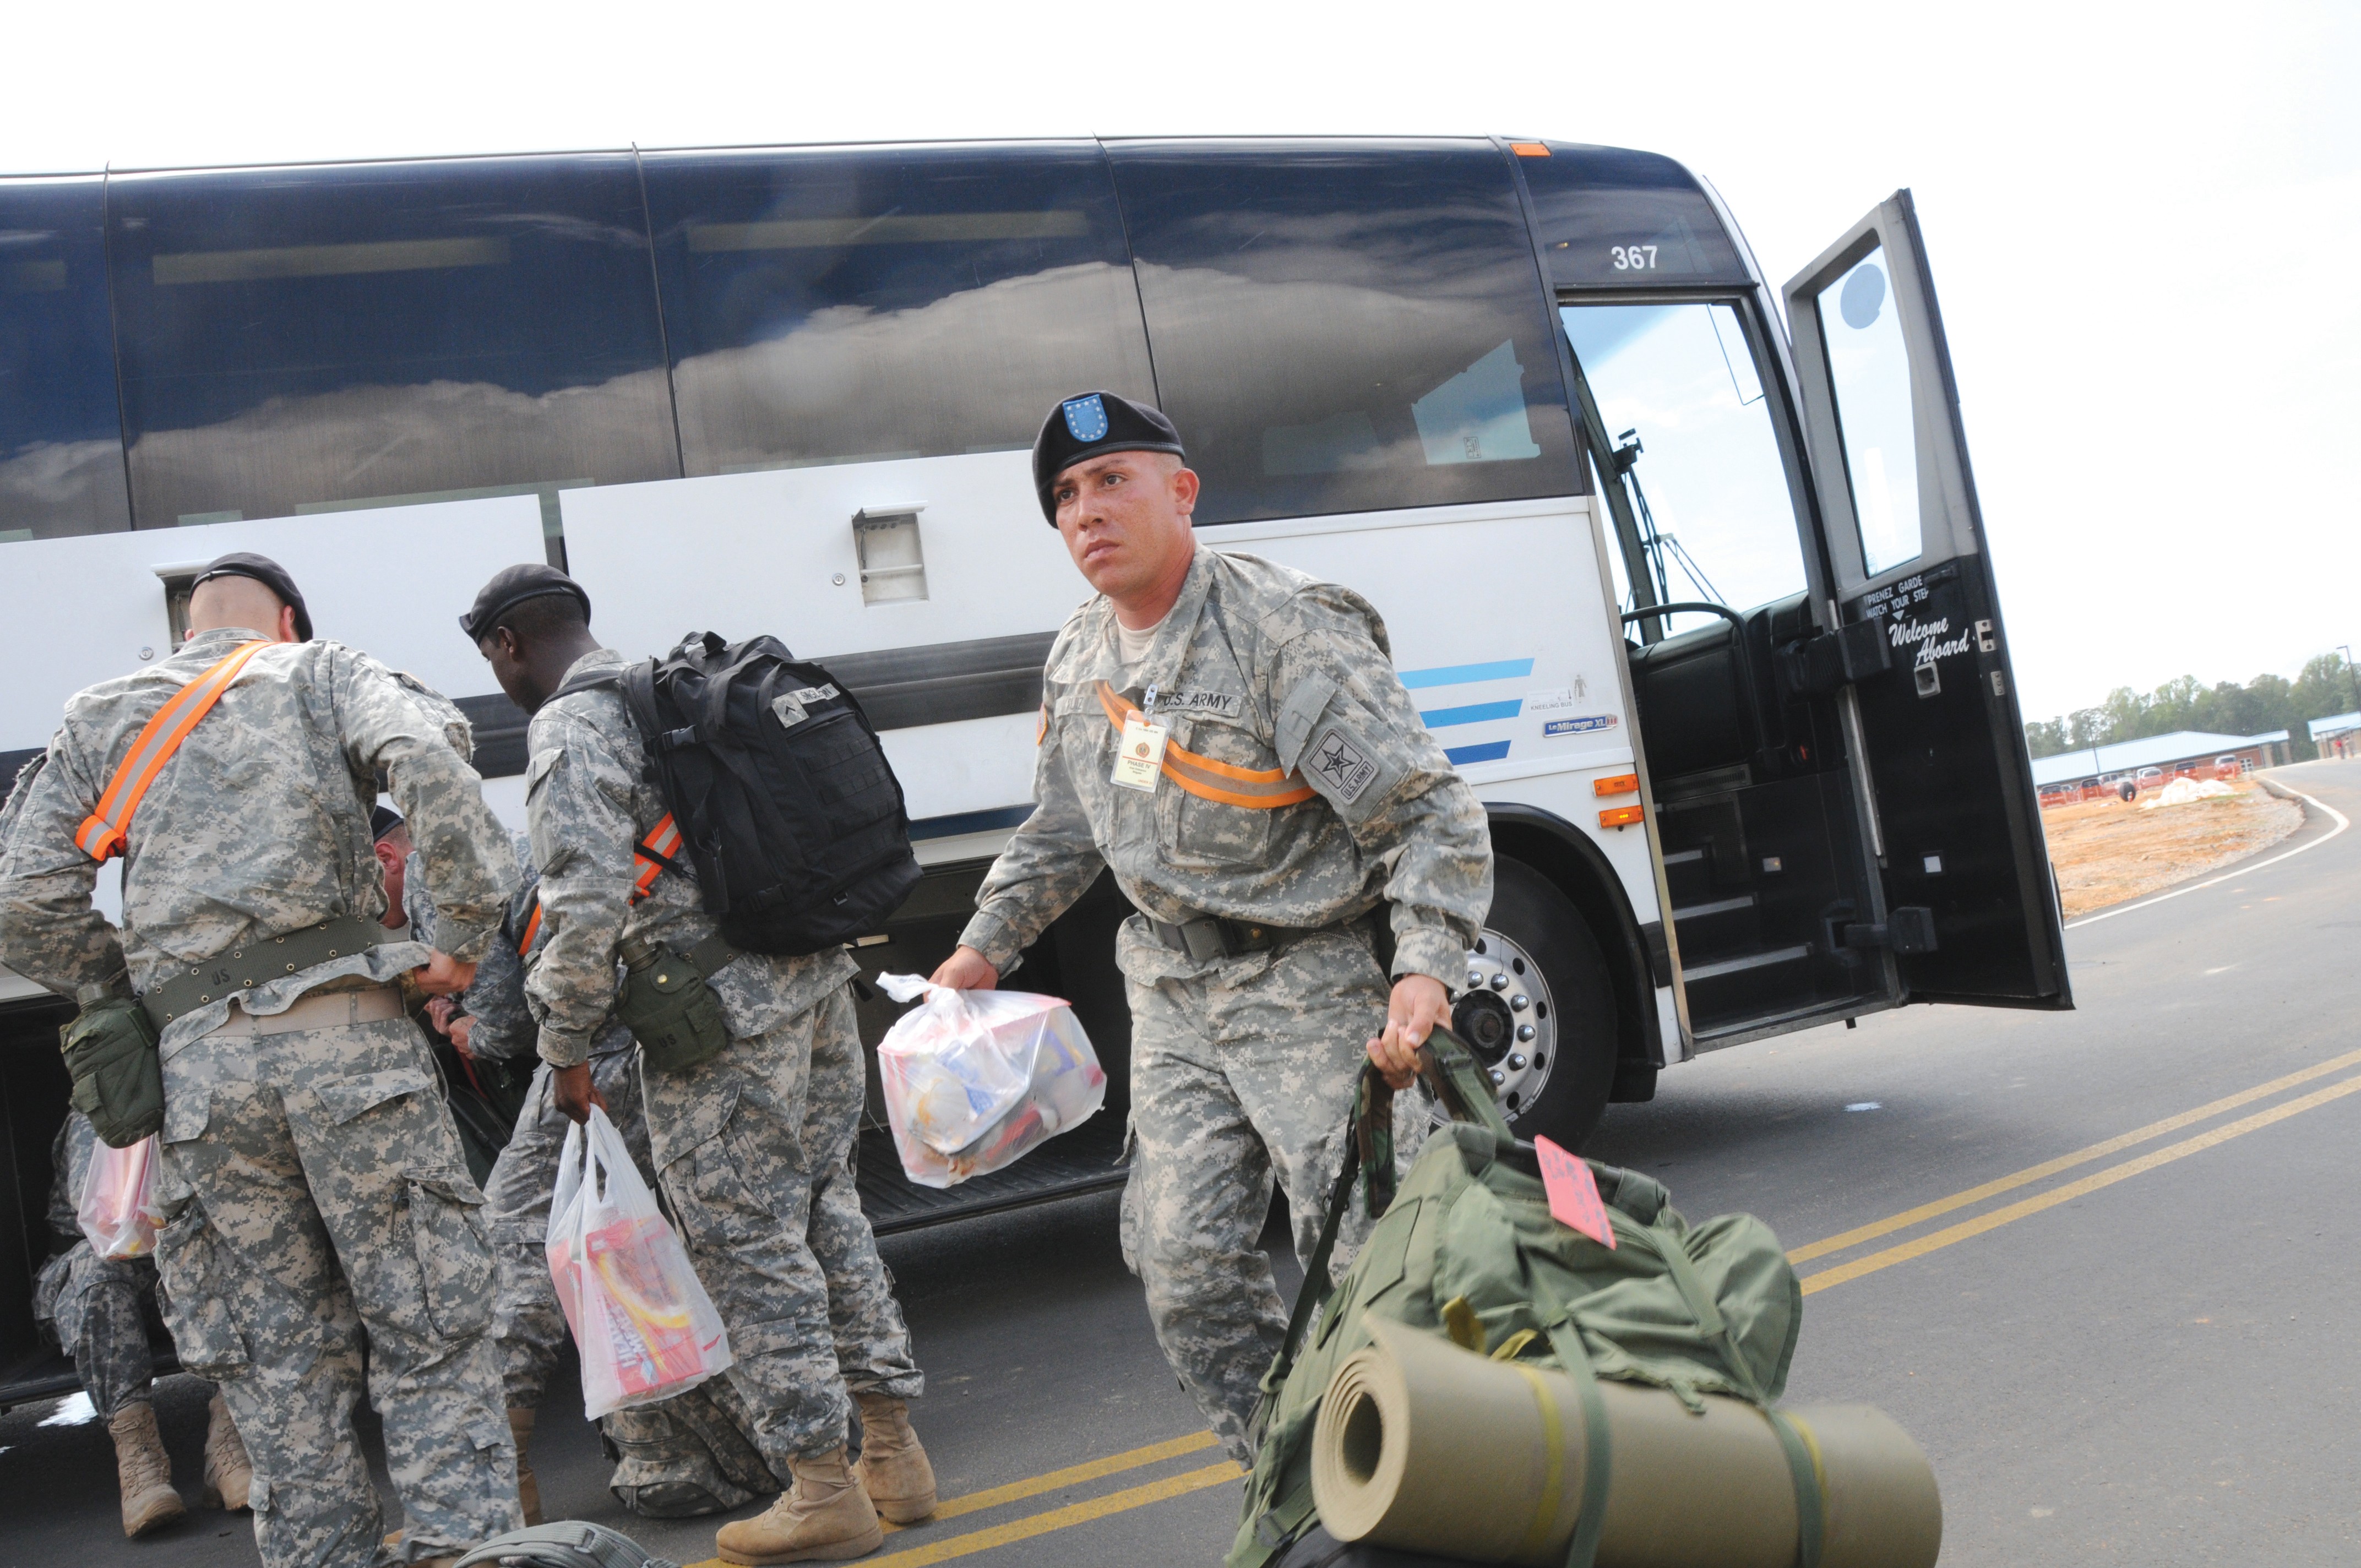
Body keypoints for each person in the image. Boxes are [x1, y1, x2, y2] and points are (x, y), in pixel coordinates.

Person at [928, 393, 1493, 1464]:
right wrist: (983, 943)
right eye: (1064, 495)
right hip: (1171, 994)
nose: (1084, 510)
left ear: (1181, 491)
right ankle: (1307, 1487)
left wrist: (1422, 964)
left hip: (1307, 980)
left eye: (1110, 480)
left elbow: (1426, 810)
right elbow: (1062, 825)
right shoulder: (1079, 653)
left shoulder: (1279, 631)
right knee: (1182, 1269)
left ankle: (1448, 1494)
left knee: (1380, 1270)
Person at [0, 551, 525, 1568]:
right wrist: (455, 933)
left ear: (188, 628)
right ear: (286, 619)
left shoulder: (99, 716)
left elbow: (23, 902)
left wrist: (126, 984)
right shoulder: (323, 671)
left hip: (202, 1086)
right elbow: (434, 759)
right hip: (353, 1054)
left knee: (278, 1368)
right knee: (429, 1338)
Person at [462, 563, 932, 1565]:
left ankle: (820, 1487)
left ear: (507, 646)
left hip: (713, 1029)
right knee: (828, 1212)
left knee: (750, 1245)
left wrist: (566, 1048)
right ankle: (895, 1453)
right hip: (809, 985)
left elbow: (578, 911)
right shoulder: (670, 695)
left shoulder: (570, 729)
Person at [465, 829, 791, 1525]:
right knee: (723, 1243)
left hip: (601, 1061)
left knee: (532, 1242)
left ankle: (509, 1477)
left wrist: (471, 1032)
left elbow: (504, 1016)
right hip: (726, 1031)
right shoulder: (676, 797)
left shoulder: (510, 855)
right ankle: (807, 1445)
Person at [32, 1110, 255, 1538]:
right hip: (99, 1272)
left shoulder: (194, 1098)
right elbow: (110, 1219)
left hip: (171, 1269)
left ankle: (229, 1445)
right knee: (97, 1274)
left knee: (228, 1253)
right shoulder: (96, 1118)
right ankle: (140, 1461)